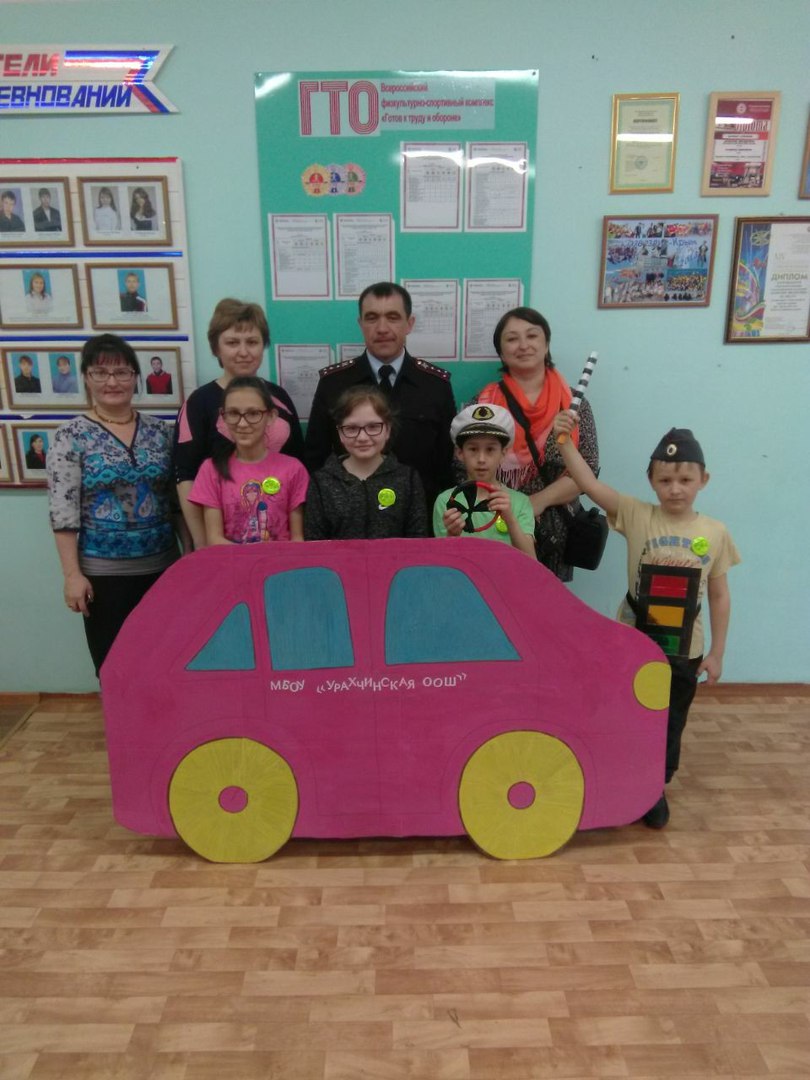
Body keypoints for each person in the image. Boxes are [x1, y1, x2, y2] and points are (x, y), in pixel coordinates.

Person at [553, 415, 741, 828]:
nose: (675, 489)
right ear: (651, 482)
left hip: (684, 651)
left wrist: (717, 652)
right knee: (625, 714)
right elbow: (589, 484)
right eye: (665, 480)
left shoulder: (715, 532)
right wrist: (563, 440)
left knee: (669, 721)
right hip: (633, 644)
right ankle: (618, 778)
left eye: (685, 480)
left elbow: (719, 595)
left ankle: (654, 787)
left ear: (703, 480)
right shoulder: (637, 515)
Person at [47, 333, 189, 676]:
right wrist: (72, 576)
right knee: (114, 667)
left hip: (163, 569)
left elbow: (176, 504)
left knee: (166, 664)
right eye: (100, 372)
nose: (112, 382)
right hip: (103, 575)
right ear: (86, 378)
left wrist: (190, 557)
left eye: (122, 372)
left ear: (135, 377)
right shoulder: (69, 437)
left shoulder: (161, 432)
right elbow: (63, 513)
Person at [304, 282, 456, 511]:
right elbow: (315, 459)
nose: (382, 328)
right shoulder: (334, 383)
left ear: (409, 324)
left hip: (420, 513)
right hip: (350, 514)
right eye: (372, 318)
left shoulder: (435, 385)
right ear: (361, 324)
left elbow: (447, 463)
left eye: (393, 317)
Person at [474, 306, 599, 581]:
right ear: (501, 351)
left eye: (532, 336)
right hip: (495, 525)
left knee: (546, 602)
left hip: (554, 531)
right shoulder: (483, 404)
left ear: (546, 344)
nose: (523, 345)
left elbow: (588, 470)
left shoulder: (574, 405)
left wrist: (535, 503)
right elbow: (464, 466)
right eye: (512, 338)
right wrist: (509, 508)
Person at [174, 298, 304, 550]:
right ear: (216, 348)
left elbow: (298, 464)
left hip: (279, 544)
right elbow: (185, 475)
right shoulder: (198, 403)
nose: (244, 352)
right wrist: (202, 543)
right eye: (233, 342)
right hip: (222, 544)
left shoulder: (280, 398)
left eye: (252, 342)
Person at [189, 376, 308, 545]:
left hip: (282, 560)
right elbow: (215, 539)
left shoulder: (293, 469)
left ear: (271, 416)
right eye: (233, 413)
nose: (243, 424)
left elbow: (297, 539)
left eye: (253, 413)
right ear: (223, 416)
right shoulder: (211, 469)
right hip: (231, 561)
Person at [304, 385, 428, 540]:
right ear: (340, 433)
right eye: (351, 428)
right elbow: (314, 542)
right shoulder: (321, 482)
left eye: (373, 427)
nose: (362, 437)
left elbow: (417, 539)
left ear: (388, 430)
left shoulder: (408, 479)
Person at [433, 404, 536, 557]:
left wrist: (509, 519)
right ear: (460, 453)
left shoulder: (520, 503)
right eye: (473, 449)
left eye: (490, 449)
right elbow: (442, 562)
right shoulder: (446, 501)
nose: (481, 459)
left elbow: (531, 561)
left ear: (503, 453)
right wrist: (452, 535)